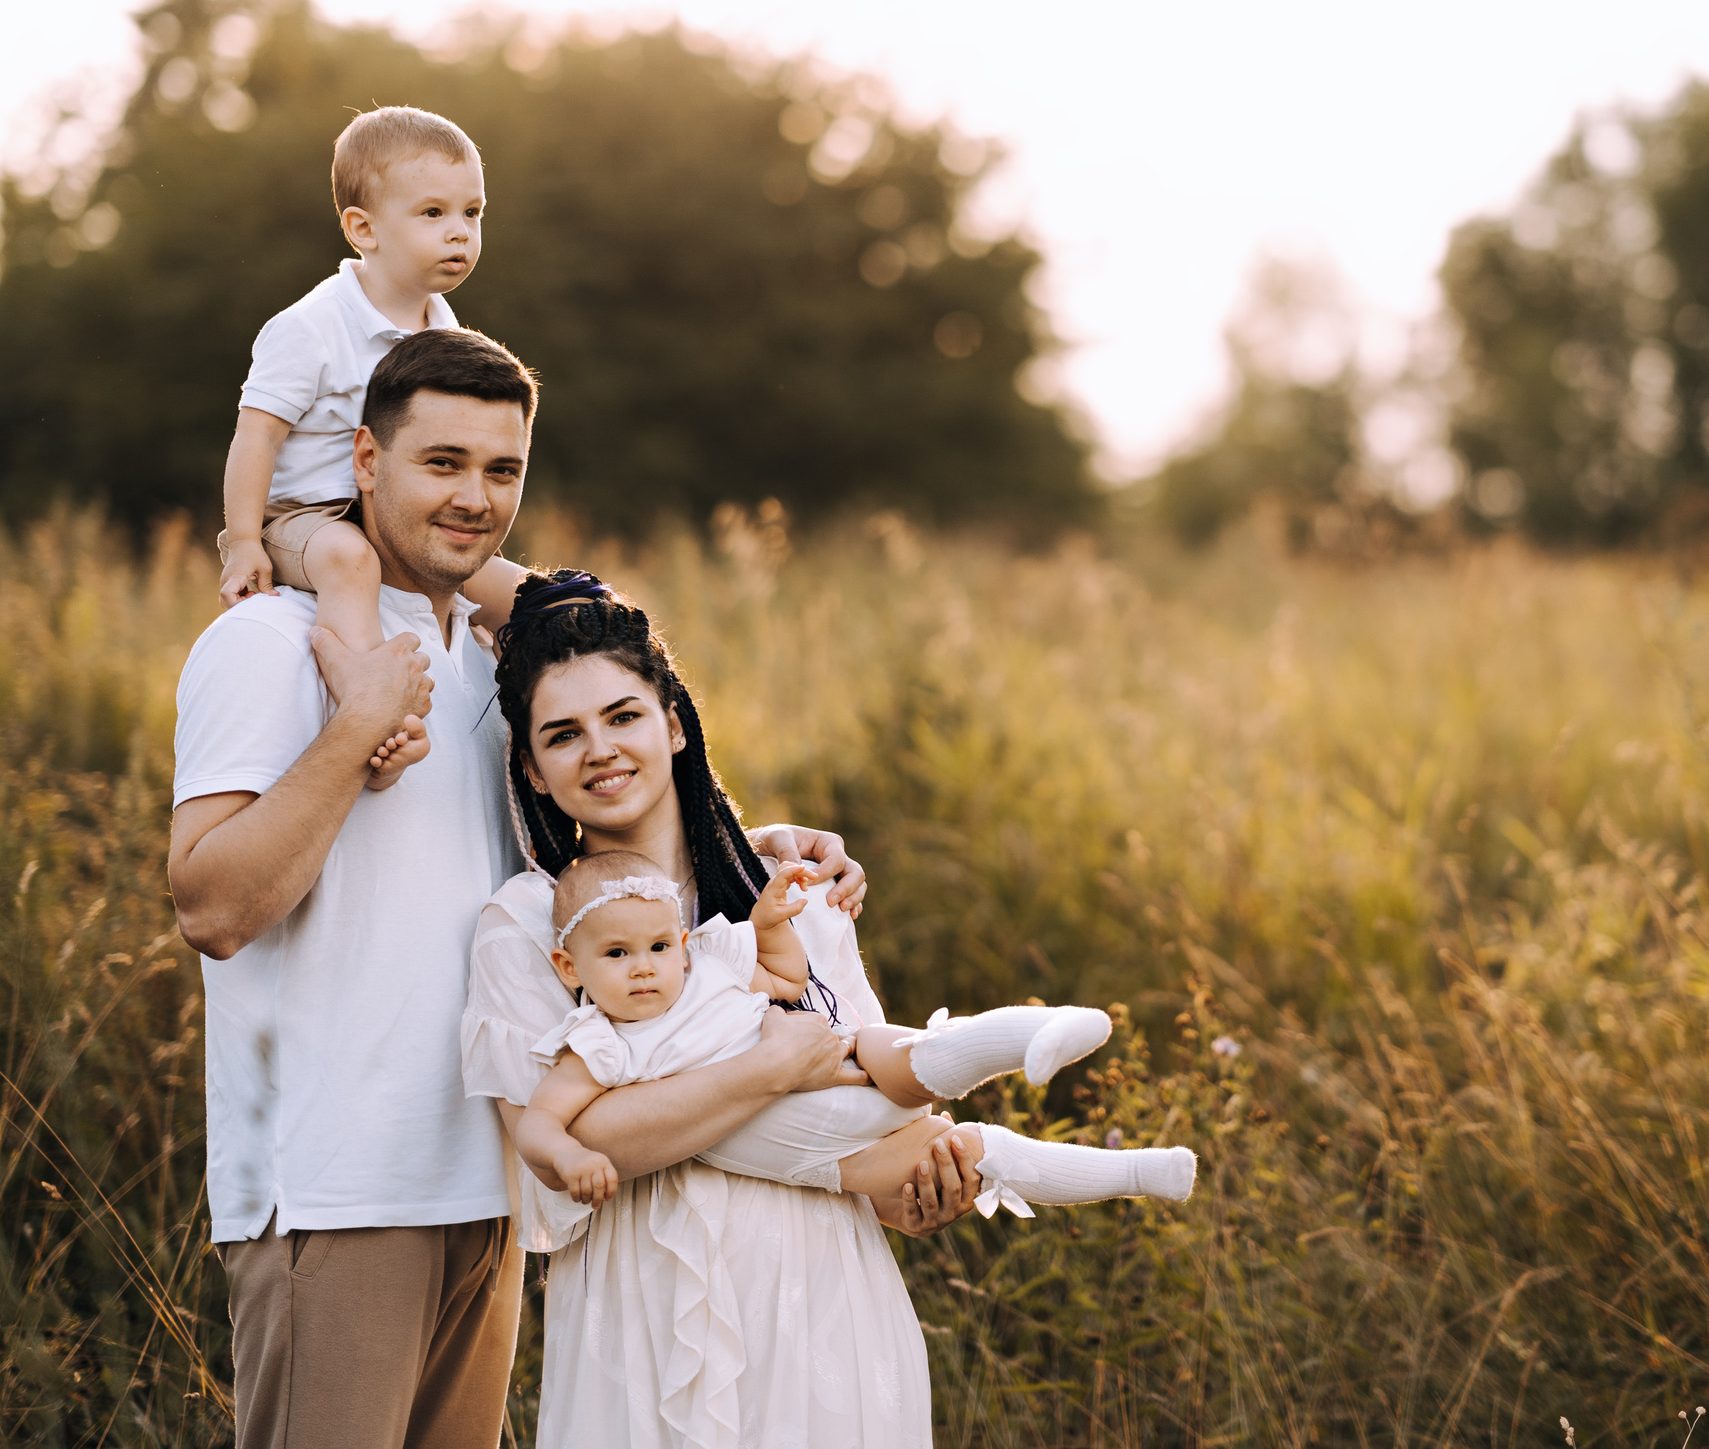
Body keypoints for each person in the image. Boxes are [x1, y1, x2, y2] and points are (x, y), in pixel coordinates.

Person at [170, 329, 923, 1449]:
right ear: (365, 462)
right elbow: (212, 905)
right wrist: (361, 722)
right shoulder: (273, 645)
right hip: (341, 1186)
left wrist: (742, 843)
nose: (475, 497)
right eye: (441, 463)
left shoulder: (488, 665)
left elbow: (583, 850)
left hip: (498, 1184)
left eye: (503, 469)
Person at [462, 572, 1006, 1449]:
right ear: (532, 768)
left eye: (623, 716)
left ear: (674, 721)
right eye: (563, 735)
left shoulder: (793, 894)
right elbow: (567, 1150)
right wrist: (766, 1069)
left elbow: (875, 1102)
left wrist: (918, 1190)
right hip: (639, 1319)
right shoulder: (527, 926)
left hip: (824, 1311)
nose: (599, 749)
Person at [518, 847, 1196, 1213]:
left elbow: (786, 978)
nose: (645, 969)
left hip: (845, 1059)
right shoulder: (597, 1041)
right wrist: (571, 1157)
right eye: (616, 955)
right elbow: (539, 1125)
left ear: (680, 942)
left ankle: (1046, 1029)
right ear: (568, 965)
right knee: (969, 1151)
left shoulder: (707, 965)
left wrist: (770, 923)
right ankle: (1141, 1170)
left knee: (902, 1050)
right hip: (818, 1154)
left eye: (659, 947)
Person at [214, 105, 527, 788]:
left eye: (473, 213)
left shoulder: (445, 333)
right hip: (305, 519)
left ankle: (543, 715)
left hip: (392, 514)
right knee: (351, 564)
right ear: (363, 229)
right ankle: (370, 717)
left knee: (517, 589)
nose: (460, 233)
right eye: (433, 213)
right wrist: (243, 539)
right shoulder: (312, 326)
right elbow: (256, 433)